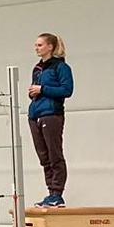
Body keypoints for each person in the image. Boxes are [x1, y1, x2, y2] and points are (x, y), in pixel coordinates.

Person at [28, 32, 74, 208]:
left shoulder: (61, 67)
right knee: (44, 157)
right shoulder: (37, 68)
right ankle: (50, 194)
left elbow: (67, 90)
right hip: (35, 115)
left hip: (51, 114)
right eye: (36, 45)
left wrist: (43, 89)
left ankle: (57, 194)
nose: (36, 48)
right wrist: (33, 93)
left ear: (50, 47)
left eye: (40, 45)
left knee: (55, 155)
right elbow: (36, 90)